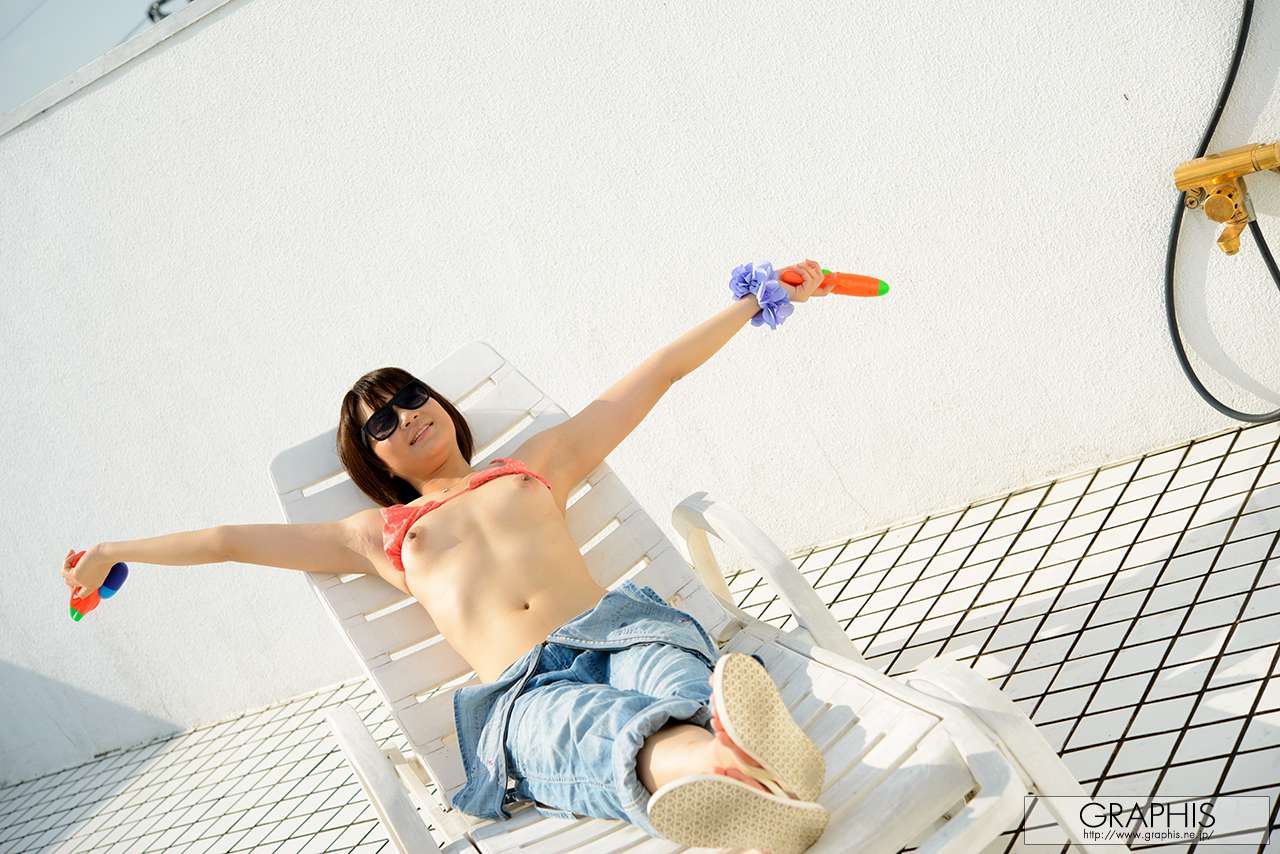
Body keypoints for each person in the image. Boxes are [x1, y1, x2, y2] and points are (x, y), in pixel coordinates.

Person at [62, 261, 838, 853]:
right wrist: (110, 551)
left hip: (619, 632)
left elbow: (658, 371)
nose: (404, 418)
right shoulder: (378, 536)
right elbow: (228, 542)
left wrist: (761, 298)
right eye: (380, 424)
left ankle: (730, 771)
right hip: (524, 688)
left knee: (665, 677)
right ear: (374, 461)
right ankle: (728, 766)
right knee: (577, 733)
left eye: (410, 398)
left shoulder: (538, 463)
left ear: (440, 407)